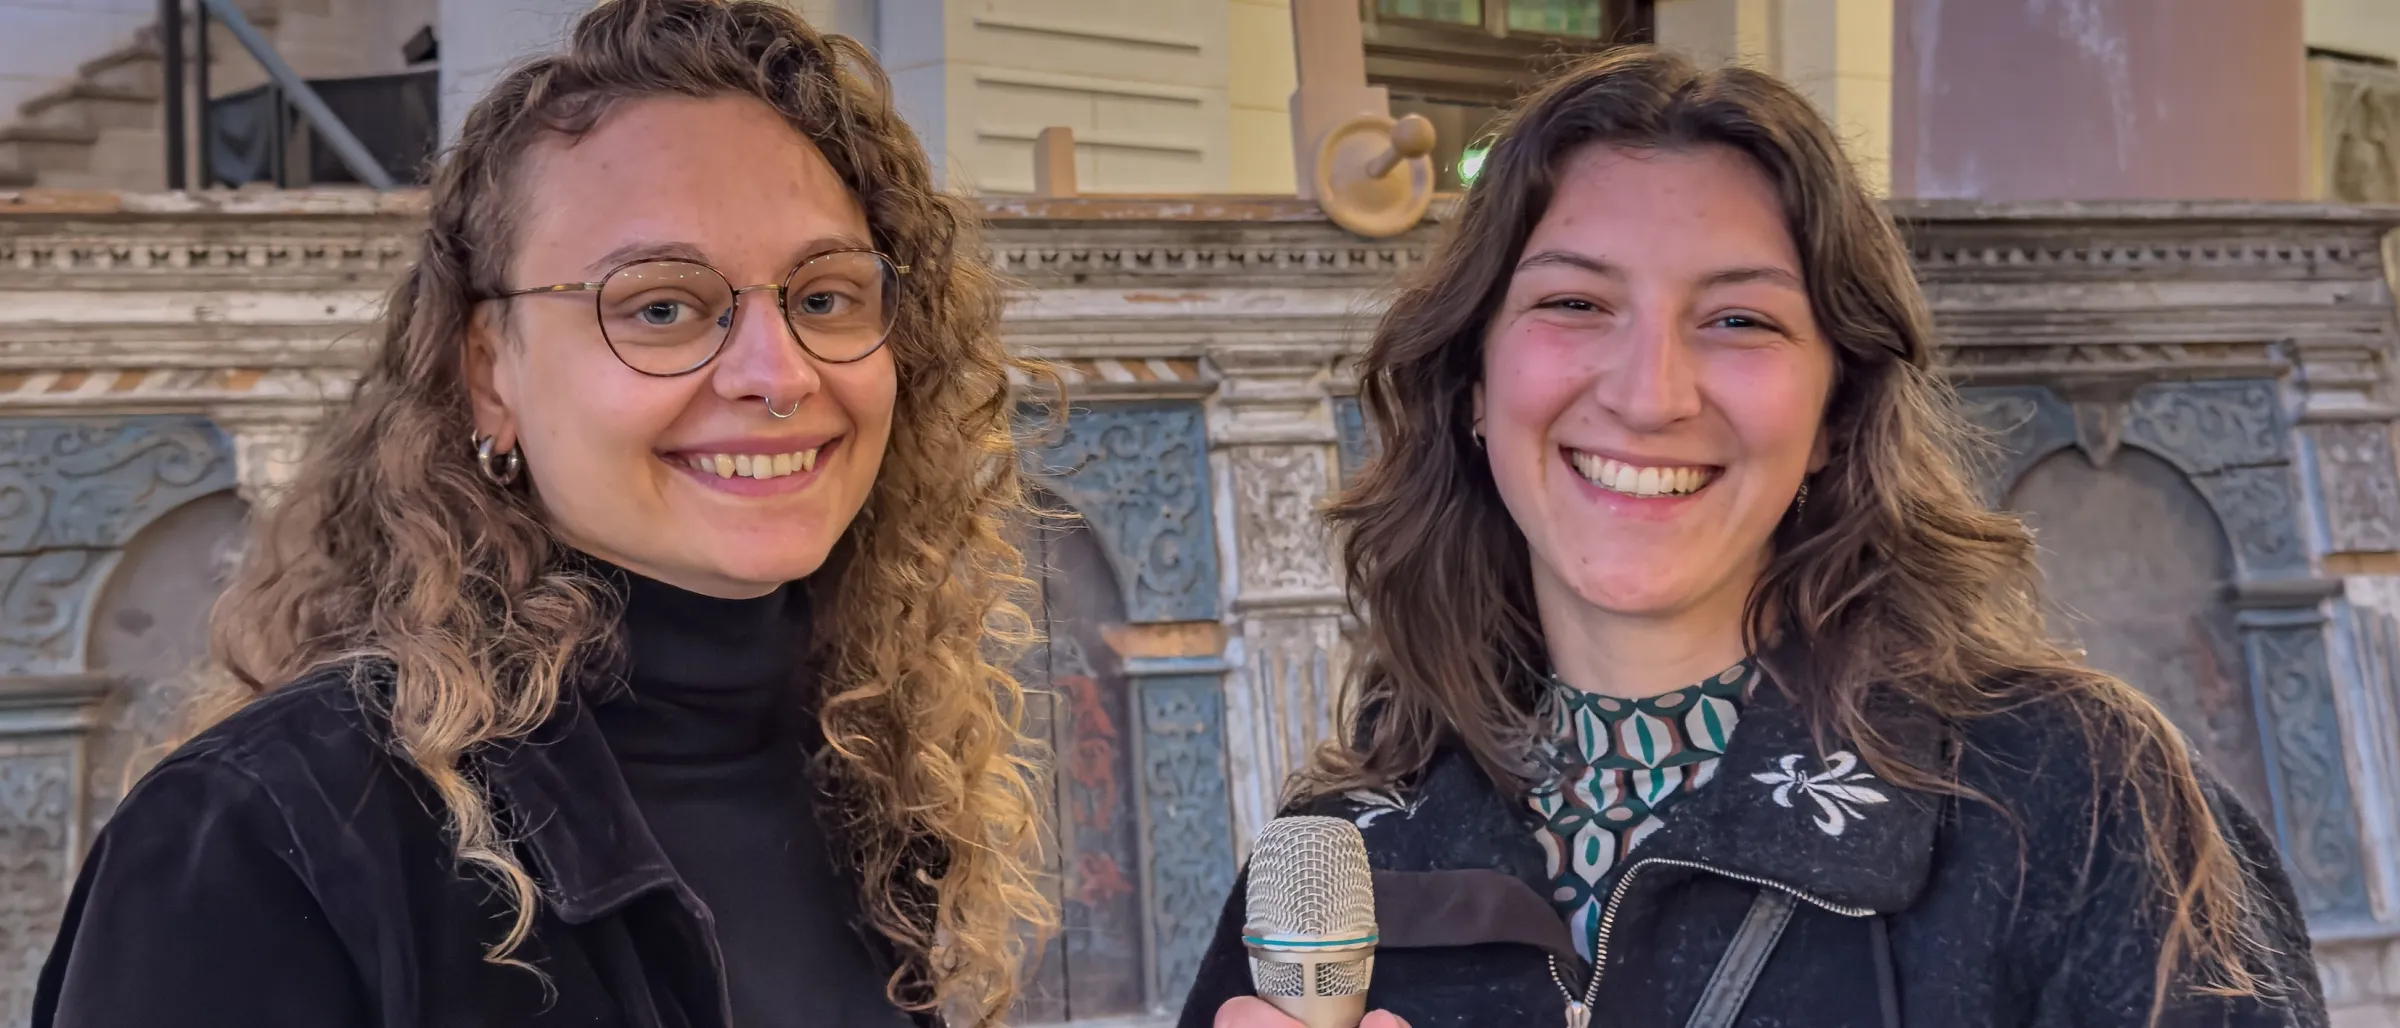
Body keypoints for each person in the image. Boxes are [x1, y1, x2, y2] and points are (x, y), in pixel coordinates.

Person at [1190, 48, 2324, 1028]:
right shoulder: (1343, 852)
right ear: (1474, 382)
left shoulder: (2070, 797)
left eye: (1740, 318)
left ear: (1835, 412)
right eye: (1575, 303)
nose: (1649, 394)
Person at [33, 2, 1051, 1026]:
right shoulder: (262, 840)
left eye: (825, 297)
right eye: (660, 306)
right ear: (489, 373)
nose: (779, 375)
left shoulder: (876, 762)